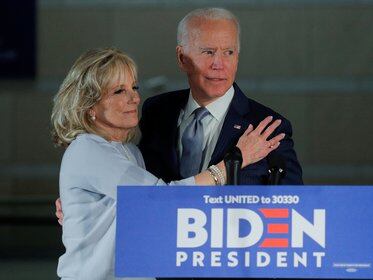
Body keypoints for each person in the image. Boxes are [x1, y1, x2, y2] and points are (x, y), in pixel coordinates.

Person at [51, 48, 285, 279]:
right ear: (90, 106)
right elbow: (161, 200)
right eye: (119, 91)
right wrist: (234, 161)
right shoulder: (89, 149)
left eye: (134, 87)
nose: (134, 98)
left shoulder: (131, 152)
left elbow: (150, 214)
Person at [139, 7, 303, 185]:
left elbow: (294, 205)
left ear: (237, 58)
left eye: (228, 52)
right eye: (208, 52)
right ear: (182, 58)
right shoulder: (156, 111)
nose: (219, 64)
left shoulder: (268, 127)